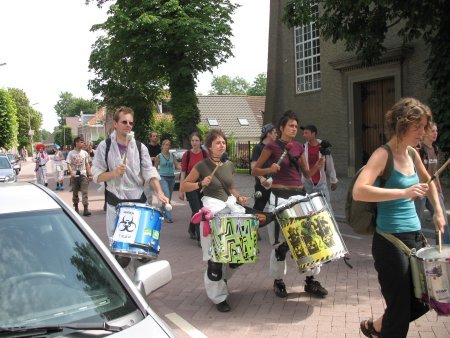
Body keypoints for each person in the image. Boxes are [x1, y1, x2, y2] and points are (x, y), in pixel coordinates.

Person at [353, 98, 445, 338]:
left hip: (415, 238)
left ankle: (376, 326)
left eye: (425, 126)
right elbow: (359, 190)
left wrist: (437, 211)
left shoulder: (413, 154)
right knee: (400, 309)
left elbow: (429, 181)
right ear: (402, 125)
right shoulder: (382, 155)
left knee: (426, 298)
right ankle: (384, 327)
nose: (423, 132)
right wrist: (403, 192)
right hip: (390, 242)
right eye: (418, 127)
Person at [251, 110, 326, 298]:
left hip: (299, 196)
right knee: (281, 244)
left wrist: (318, 166)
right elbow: (254, 170)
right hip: (278, 197)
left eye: (296, 126)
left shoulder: (299, 147)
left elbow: (307, 174)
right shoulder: (272, 146)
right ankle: (278, 281)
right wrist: (270, 168)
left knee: (308, 239)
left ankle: (310, 281)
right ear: (282, 128)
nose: (294, 129)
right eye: (291, 126)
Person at [91, 107, 168, 272]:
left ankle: (136, 288)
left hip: (137, 204)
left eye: (130, 123)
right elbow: (96, 175)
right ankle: (125, 289)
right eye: (124, 122)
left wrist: (159, 192)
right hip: (115, 204)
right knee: (121, 257)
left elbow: (149, 172)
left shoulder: (140, 147)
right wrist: (113, 173)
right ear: (115, 124)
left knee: (142, 253)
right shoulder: (104, 147)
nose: (128, 125)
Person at [180, 129, 249, 312]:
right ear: (209, 146)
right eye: (217, 143)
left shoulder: (229, 165)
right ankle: (219, 297)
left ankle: (221, 278)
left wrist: (240, 197)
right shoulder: (202, 165)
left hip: (229, 208)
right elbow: (184, 185)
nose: (222, 145)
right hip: (213, 212)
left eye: (223, 142)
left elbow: (231, 187)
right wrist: (200, 184)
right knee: (216, 259)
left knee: (238, 255)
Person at [414, 122, 449, 244]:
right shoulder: (419, 149)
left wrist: (439, 190)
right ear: (425, 133)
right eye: (432, 131)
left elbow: (435, 172)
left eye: (436, 131)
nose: (435, 133)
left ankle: (444, 249)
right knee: (416, 221)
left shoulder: (435, 149)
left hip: (433, 189)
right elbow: (416, 171)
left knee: (442, 219)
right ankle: (415, 248)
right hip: (421, 190)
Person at [179, 131, 208, 245]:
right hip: (190, 185)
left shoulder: (205, 154)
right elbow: (183, 173)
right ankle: (200, 239)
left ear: (201, 142)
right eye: (192, 140)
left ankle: (191, 228)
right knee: (197, 210)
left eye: (196, 140)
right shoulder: (187, 155)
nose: (194, 142)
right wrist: (181, 190)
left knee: (200, 208)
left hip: (203, 186)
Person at [250, 123, 277, 239]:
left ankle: (276, 231)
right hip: (262, 184)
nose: (276, 134)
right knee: (258, 207)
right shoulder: (258, 148)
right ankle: (252, 229)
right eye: (275, 132)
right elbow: (253, 165)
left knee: (275, 207)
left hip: (274, 183)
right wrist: (261, 179)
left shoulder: (276, 148)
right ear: (269, 133)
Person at [301, 124, 338, 203]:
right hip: (307, 184)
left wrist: (333, 180)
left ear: (313, 134)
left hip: (321, 184)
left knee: (326, 208)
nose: (304, 135)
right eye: (303, 133)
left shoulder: (324, 146)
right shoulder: (303, 148)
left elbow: (330, 165)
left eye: (306, 133)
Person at [154, 139, 181, 223]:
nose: (167, 146)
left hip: (171, 178)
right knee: (167, 195)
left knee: (168, 197)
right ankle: (169, 217)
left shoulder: (172, 156)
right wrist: (154, 179)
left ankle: (162, 210)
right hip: (163, 178)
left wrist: (184, 167)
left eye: (169, 145)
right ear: (162, 146)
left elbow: (177, 166)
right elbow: (155, 168)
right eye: (166, 145)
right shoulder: (159, 156)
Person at [66, 137, 92, 216]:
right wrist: (71, 173)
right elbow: (68, 164)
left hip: (83, 174)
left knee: (85, 192)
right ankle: (76, 207)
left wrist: (89, 174)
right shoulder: (71, 153)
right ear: (76, 143)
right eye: (81, 142)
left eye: (83, 142)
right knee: (75, 192)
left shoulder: (84, 153)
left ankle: (86, 209)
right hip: (75, 175)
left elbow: (87, 164)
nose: (83, 143)